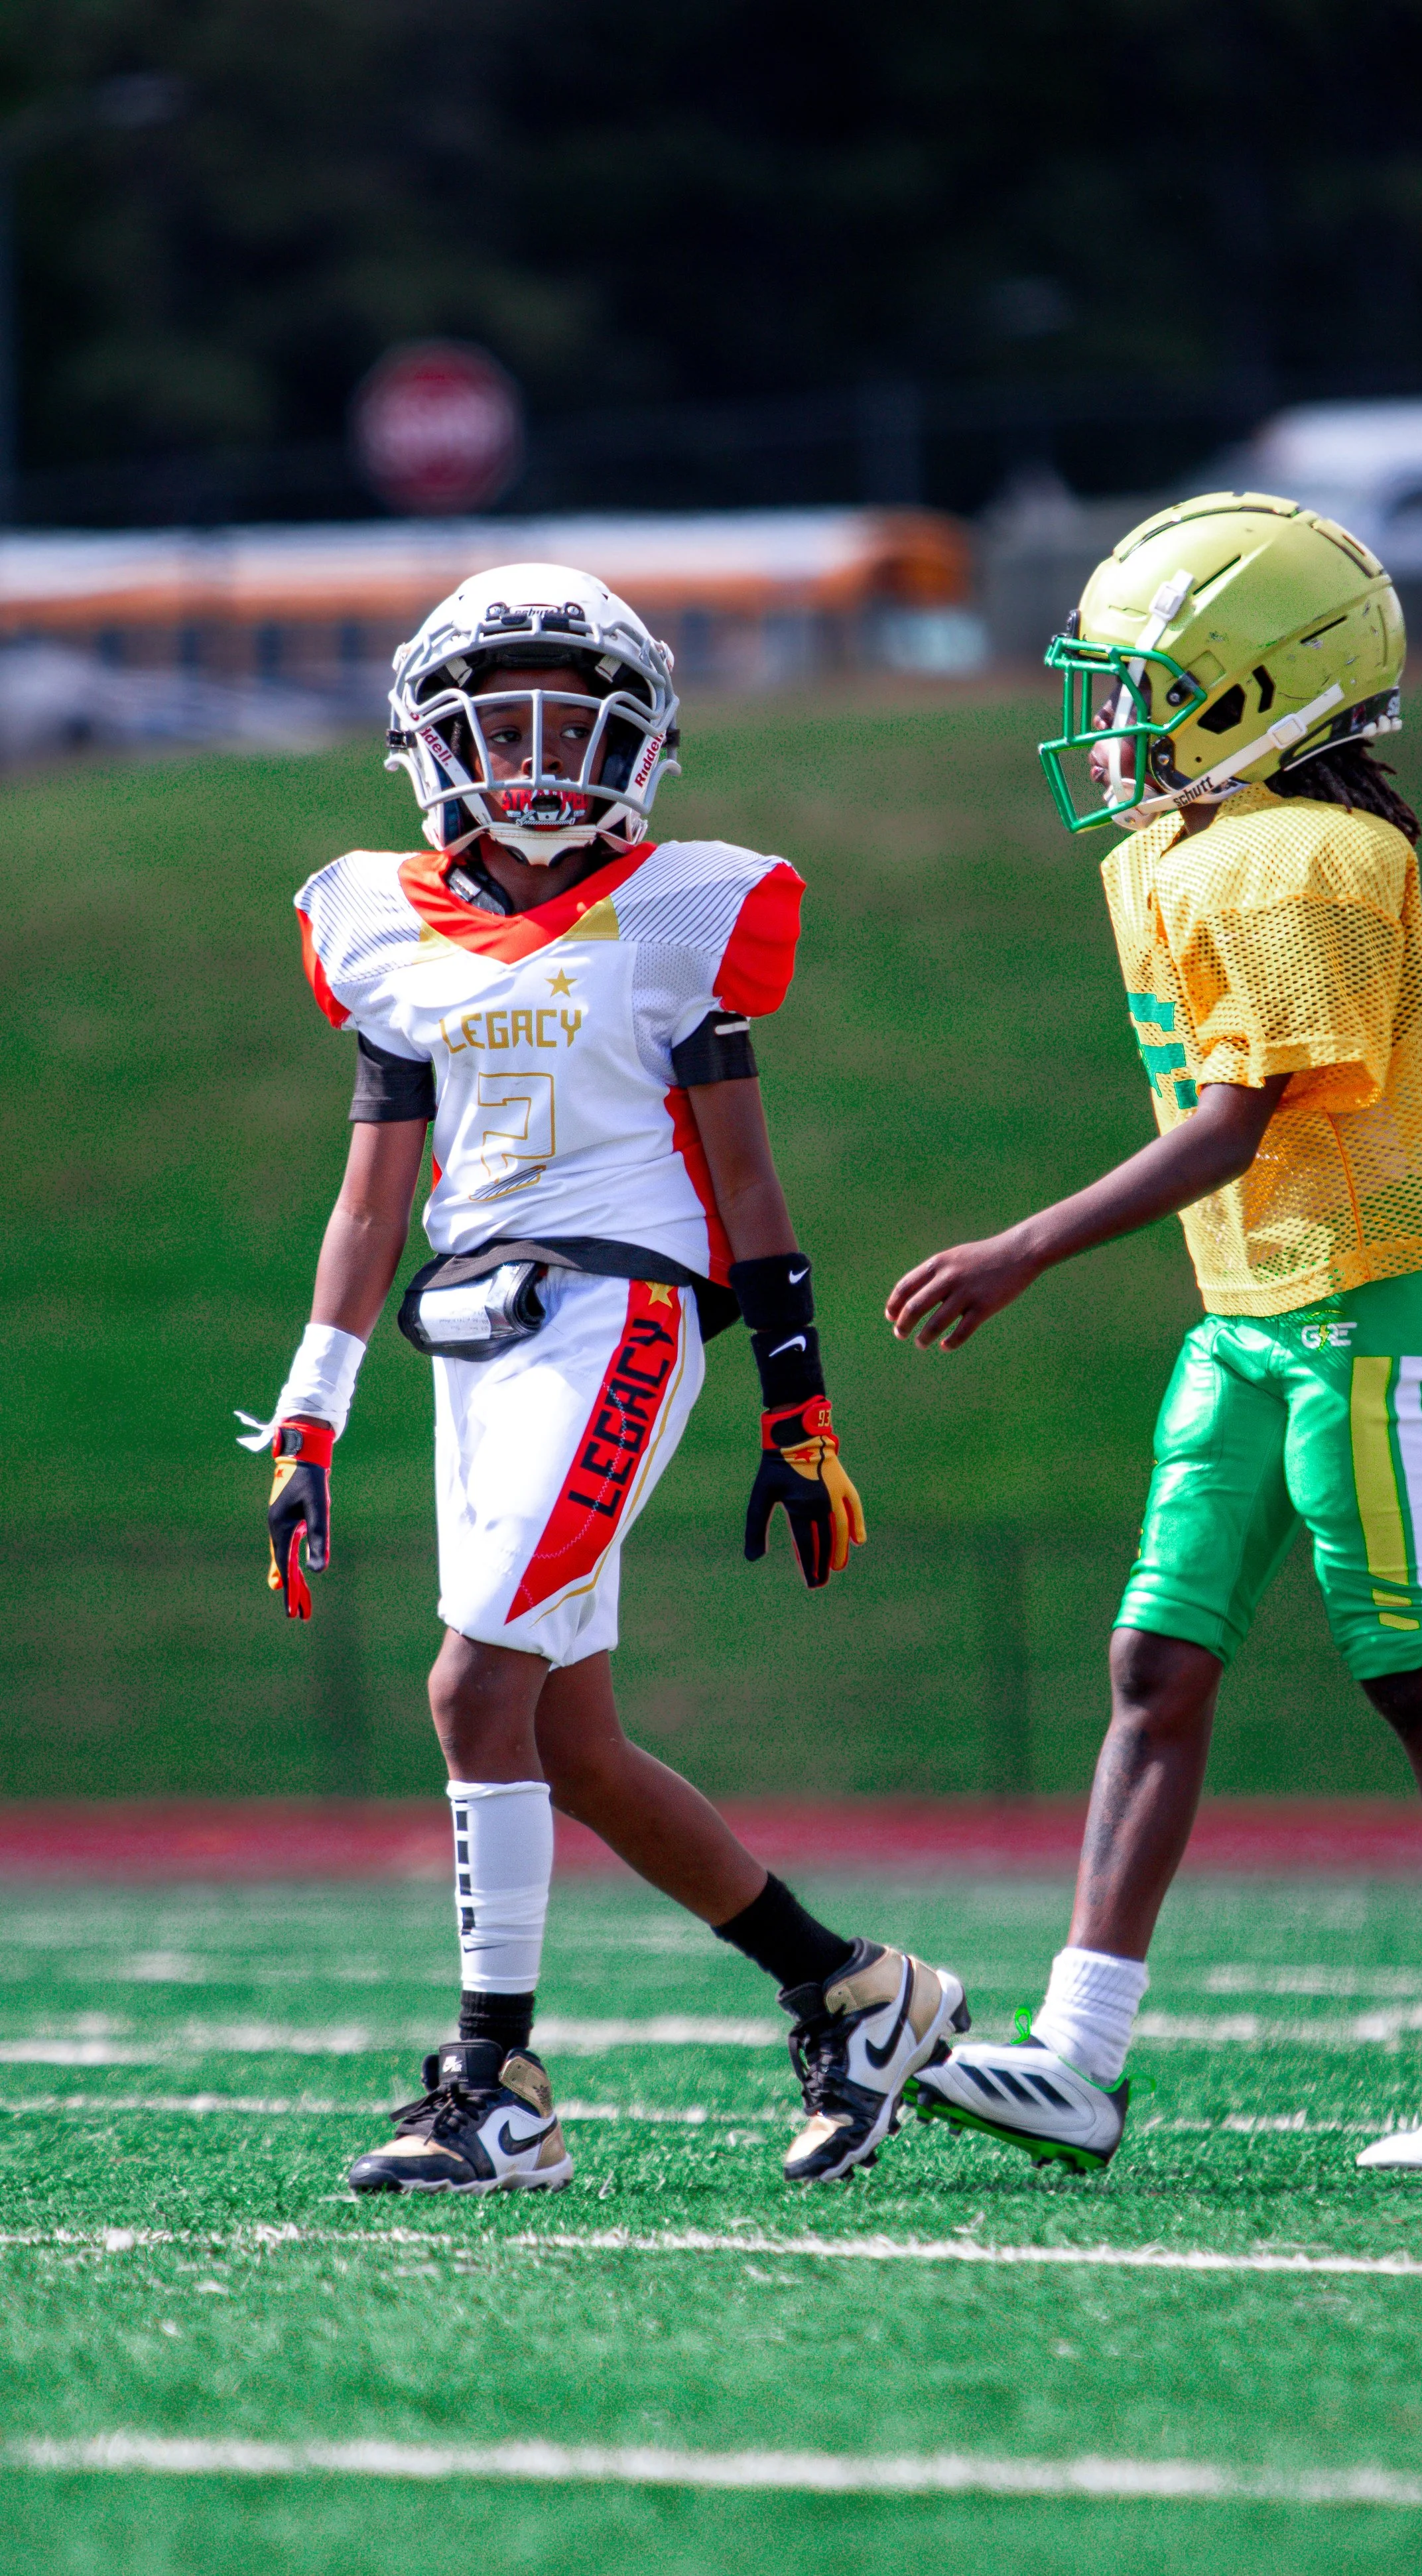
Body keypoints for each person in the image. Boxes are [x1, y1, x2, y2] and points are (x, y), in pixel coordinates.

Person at [890, 495, 1422, 2179]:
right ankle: (1076, 2057)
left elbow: (1233, 1124)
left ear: (1251, 691)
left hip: (1363, 1303)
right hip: (1246, 1313)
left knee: (1408, 1671)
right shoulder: (1173, 851)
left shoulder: (1315, 860)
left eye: (1150, 686)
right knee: (1153, 1663)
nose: (1114, 721)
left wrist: (1024, 1246)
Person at [239, 562, 967, 2194]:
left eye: (578, 718)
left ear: (642, 740)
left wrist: (799, 1399)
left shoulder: (685, 905)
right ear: (437, 739)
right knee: (566, 1739)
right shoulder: (373, 917)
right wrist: (310, 1410)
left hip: (625, 1319)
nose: (542, 752)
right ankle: (851, 1988)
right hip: (472, 1343)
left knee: (464, 1691)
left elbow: (752, 1187)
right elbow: (370, 1198)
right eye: (507, 719)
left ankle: (493, 2087)